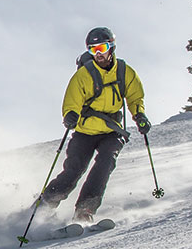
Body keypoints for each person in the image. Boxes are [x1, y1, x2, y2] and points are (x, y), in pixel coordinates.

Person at [42, 27, 151, 223]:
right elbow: (72, 99)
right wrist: (71, 115)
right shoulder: (83, 75)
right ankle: (43, 207)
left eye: (102, 48)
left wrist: (140, 115)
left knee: (105, 163)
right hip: (85, 132)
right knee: (74, 171)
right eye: (93, 50)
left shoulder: (125, 72)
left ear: (112, 47)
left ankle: (85, 210)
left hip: (111, 131)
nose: (98, 54)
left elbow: (135, 96)